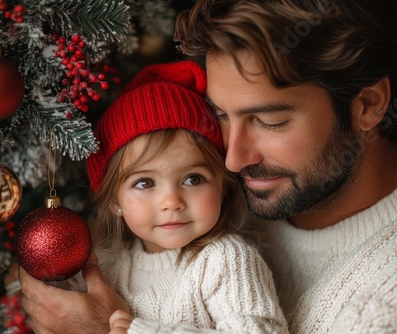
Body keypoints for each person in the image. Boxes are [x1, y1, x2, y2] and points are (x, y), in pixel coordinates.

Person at [172, 0, 397, 333]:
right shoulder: (205, 208)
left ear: (369, 105)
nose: (232, 159)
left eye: (270, 121)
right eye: (221, 115)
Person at [17, 60, 288, 333]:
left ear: (223, 187)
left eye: (193, 179)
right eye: (145, 183)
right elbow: (53, 310)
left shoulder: (225, 260)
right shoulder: (108, 265)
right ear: (114, 200)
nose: (171, 201)